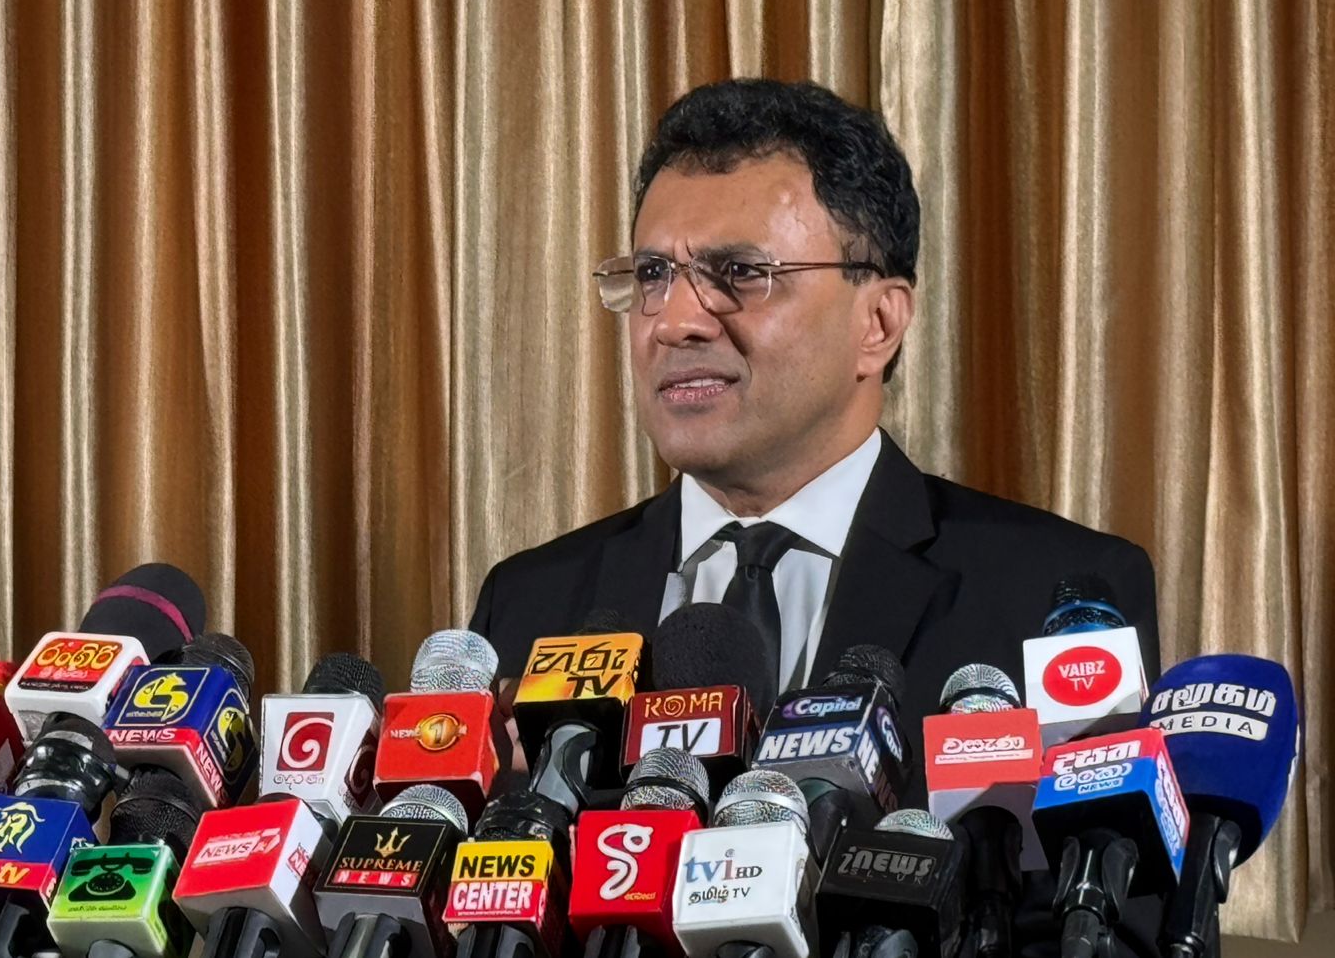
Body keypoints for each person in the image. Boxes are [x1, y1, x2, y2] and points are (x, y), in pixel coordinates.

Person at [468, 78, 1161, 955]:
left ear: (879, 322)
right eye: (652, 275)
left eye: (739, 274)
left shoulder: (1050, 599)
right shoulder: (534, 602)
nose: (675, 321)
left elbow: (1113, 929)